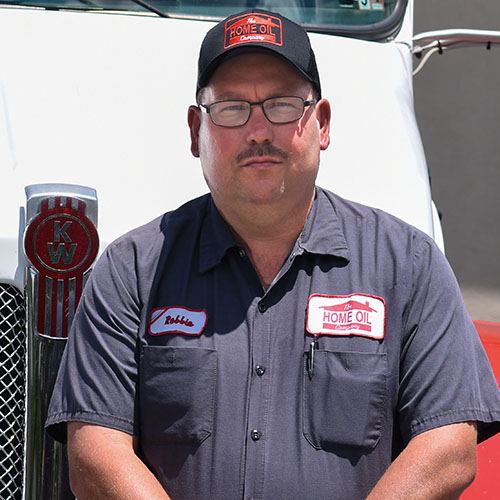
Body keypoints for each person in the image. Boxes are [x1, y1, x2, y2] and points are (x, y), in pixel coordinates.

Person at [46, 8, 500, 500]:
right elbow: (95, 453)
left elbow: (449, 446)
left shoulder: (408, 265)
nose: (258, 131)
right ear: (196, 130)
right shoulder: (131, 270)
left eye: (282, 105)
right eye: (232, 107)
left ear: (321, 123)